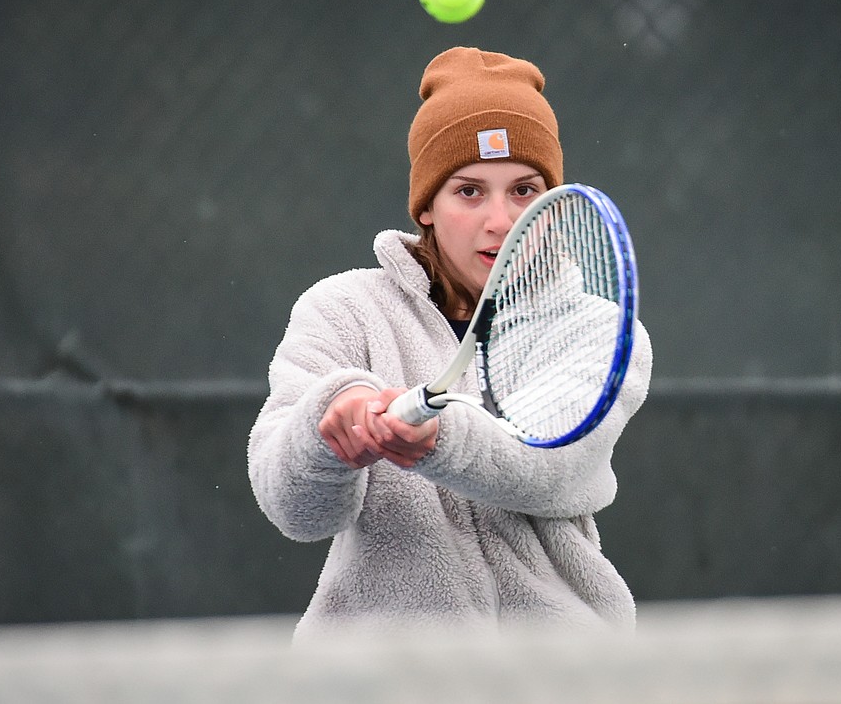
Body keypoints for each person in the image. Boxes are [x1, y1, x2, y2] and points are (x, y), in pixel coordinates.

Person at [247, 46, 652, 642]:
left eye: (524, 190)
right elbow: (297, 511)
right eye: (469, 191)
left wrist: (438, 436)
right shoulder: (342, 310)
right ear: (427, 207)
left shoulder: (598, 330)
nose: (501, 219)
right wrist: (328, 429)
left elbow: (550, 467)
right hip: (376, 681)